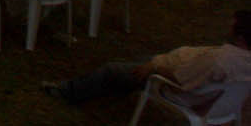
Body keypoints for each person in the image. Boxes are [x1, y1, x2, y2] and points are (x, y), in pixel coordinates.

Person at [43, 10, 251, 105]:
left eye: (231, 26)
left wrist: (154, 68)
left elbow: (180, 79)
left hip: (166, 84)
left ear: (240, 37)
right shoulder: (243, 58)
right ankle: (115, 87)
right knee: (133, 63)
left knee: (112, 69)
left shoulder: (220, 60)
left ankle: (67, 91)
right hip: (191, 81)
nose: (227, 28)